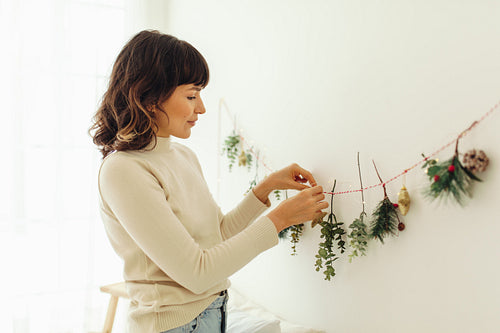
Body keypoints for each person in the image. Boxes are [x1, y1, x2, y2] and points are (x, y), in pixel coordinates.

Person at [90, 30, 328, 333]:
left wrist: (264, 190)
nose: (200, 108)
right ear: (148, 98)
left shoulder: (183, 156)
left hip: (214, 314)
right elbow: (197, 272)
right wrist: (278, 220)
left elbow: (217, 236)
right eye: (191, 96)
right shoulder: (124, 171)